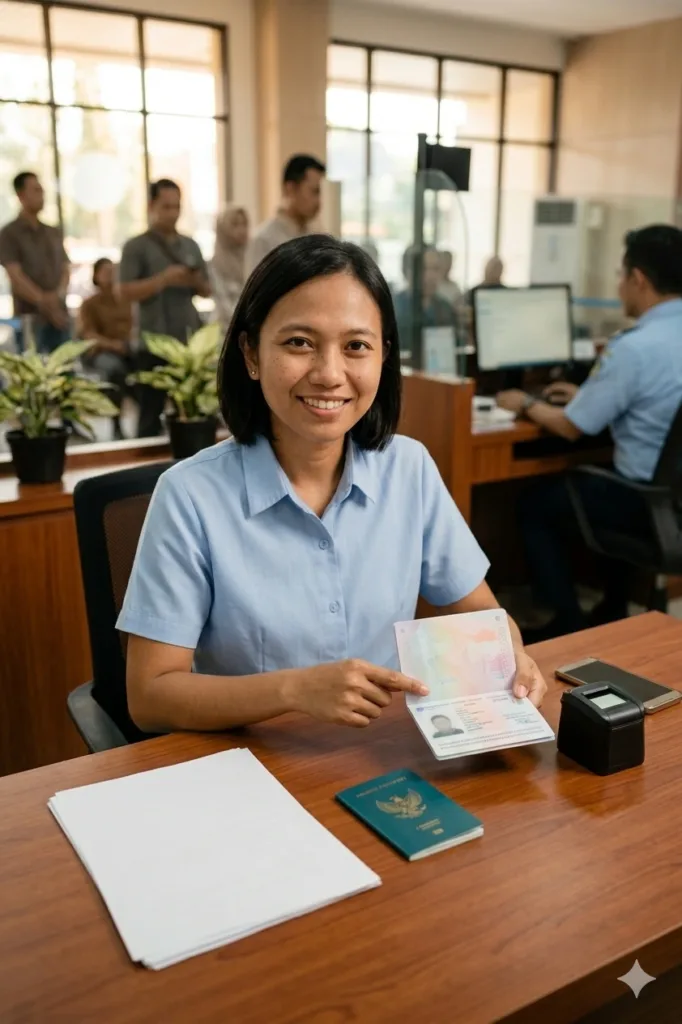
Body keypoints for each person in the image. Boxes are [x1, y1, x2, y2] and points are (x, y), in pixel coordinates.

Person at [117, 235, 546, 734]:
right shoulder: (189, 496)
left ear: (383, 357)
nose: (329, 374)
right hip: (252, 759)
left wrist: (511, 655)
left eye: (356, 346)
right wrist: (293, 690)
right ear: (251, 353)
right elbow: (150, 697)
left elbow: (481, 614)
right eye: (299, 343)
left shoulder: (408, 468)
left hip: (382, 747)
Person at [496, 224, 682, 638]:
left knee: (536, 504)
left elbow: (571, 426)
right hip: (674, 499)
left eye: (621, 275)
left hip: (644, 501)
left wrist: (524, 402)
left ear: (638, 279)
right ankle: (613, 606)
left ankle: (565, 619)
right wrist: (588, 395)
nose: (619, 285)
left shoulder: (634, 347)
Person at [119, 179, 211, 437]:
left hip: (188, 342)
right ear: (151, 206)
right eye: (166, 206)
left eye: (177, 207)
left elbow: (207, 290)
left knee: (193, 414)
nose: (172, 213)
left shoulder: (190, 245)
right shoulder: (136, 246)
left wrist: (192, 280)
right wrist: (163, 279)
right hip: (152, 342)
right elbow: (123, 291)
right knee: (150, 416)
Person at [0, 171, 70, 353]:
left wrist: (58, 296)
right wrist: (44, 302)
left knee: (66, 366)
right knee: (32, 365)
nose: (42, 195)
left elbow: (65, 268)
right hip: (29, 319)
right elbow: (15, 276)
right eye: (36, 190)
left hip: (61, 316)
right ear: (21, 195)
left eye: (42, 190)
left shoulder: (52, 232)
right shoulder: (9, 234)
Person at [78, 258, 133, 441]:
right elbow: (88, 335)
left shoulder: (126, 300)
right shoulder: (89, 304)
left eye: (113, 271)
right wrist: (112, 345)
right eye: (106, 272)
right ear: (96, 276)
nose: (111, 276)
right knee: (115, 370)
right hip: (100, 352)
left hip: (127, 349)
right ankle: (116, 424)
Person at [246, 154, 325, 274]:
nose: (318, 201)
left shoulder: (317, 237)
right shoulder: (264, 241)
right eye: (314, 191)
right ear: (290, 189)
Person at [394, 245, 459, 352]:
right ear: (407, 271)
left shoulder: (445, 309)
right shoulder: (393, 308)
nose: (431, 276)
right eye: (424, 269)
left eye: (435, 269)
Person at [210, 204, 249, 331]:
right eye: (235, 224)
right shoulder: (215, 264)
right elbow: (223, 302)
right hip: (225, 329)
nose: (242, 230)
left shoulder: (253, 256)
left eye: (244, 224)